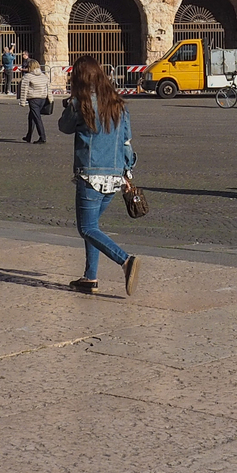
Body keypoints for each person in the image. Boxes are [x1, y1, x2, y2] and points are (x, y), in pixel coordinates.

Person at [58, 55, 141, 295]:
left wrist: (70, 104)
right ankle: (90, 277)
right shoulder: (119, 104)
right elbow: (126, 143)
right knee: (93, 226)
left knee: (87, 228)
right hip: (115, 177)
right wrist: (127, 172)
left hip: (91, 175)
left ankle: (125, 261)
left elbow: (64, 128)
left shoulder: (81, 104)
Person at [18, 55, 50, 143]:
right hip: (42, 99)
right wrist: (50, 99)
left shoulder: (27, 76)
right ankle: (29, 136)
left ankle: (42, 137)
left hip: (33, 99)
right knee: (31, 116)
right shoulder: (44, 76)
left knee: (37, 118)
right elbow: (48, 88)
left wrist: (22, 101)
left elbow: (24, 89)